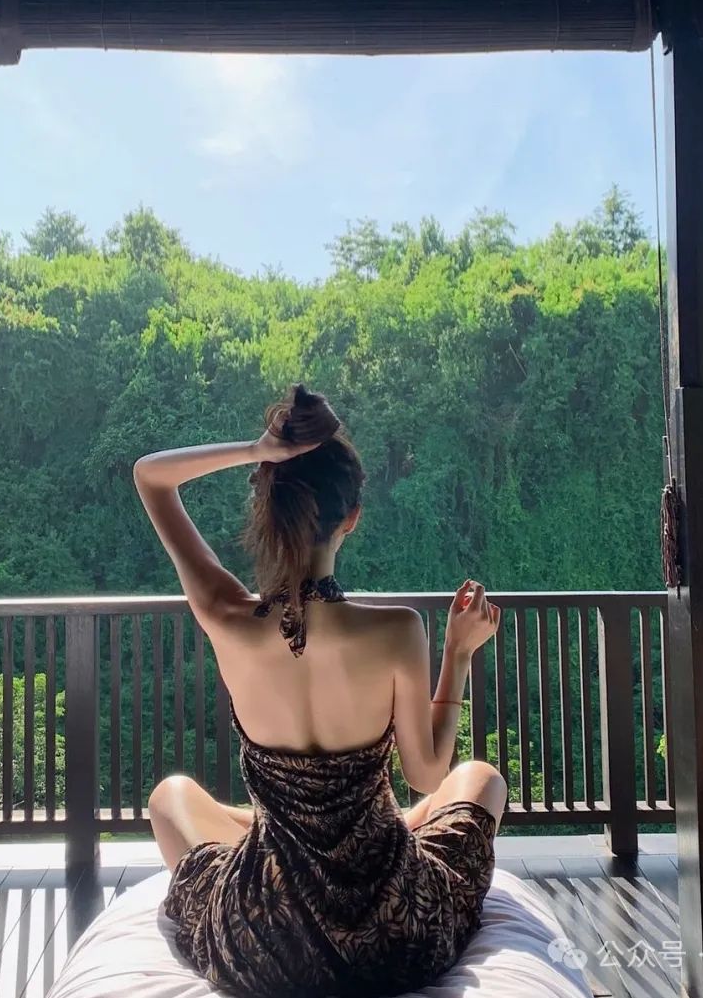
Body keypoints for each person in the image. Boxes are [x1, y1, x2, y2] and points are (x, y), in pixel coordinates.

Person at [132, 382, 507, 998]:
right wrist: (459, 654)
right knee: (481, 779)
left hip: (265, 940)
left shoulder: (227, 618)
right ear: (351, 518)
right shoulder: (396, 631)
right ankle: (376, 825)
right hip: (393, 934)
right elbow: (427, 773)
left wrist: (258, 451)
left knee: (171, 795)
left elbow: (151, 477)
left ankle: (289, 828)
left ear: (270, 508)